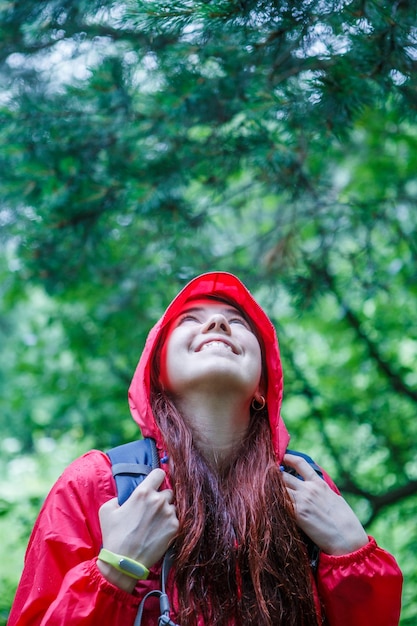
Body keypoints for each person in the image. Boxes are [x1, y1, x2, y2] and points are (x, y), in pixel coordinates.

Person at [9, 271, 402, 626]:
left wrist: (352, 552)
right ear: (156, 373)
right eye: (190, 320)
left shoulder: (307, 489)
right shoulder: (97, 485)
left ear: (263, 385)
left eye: (237, 323)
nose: (217, 323)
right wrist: (115, 570)